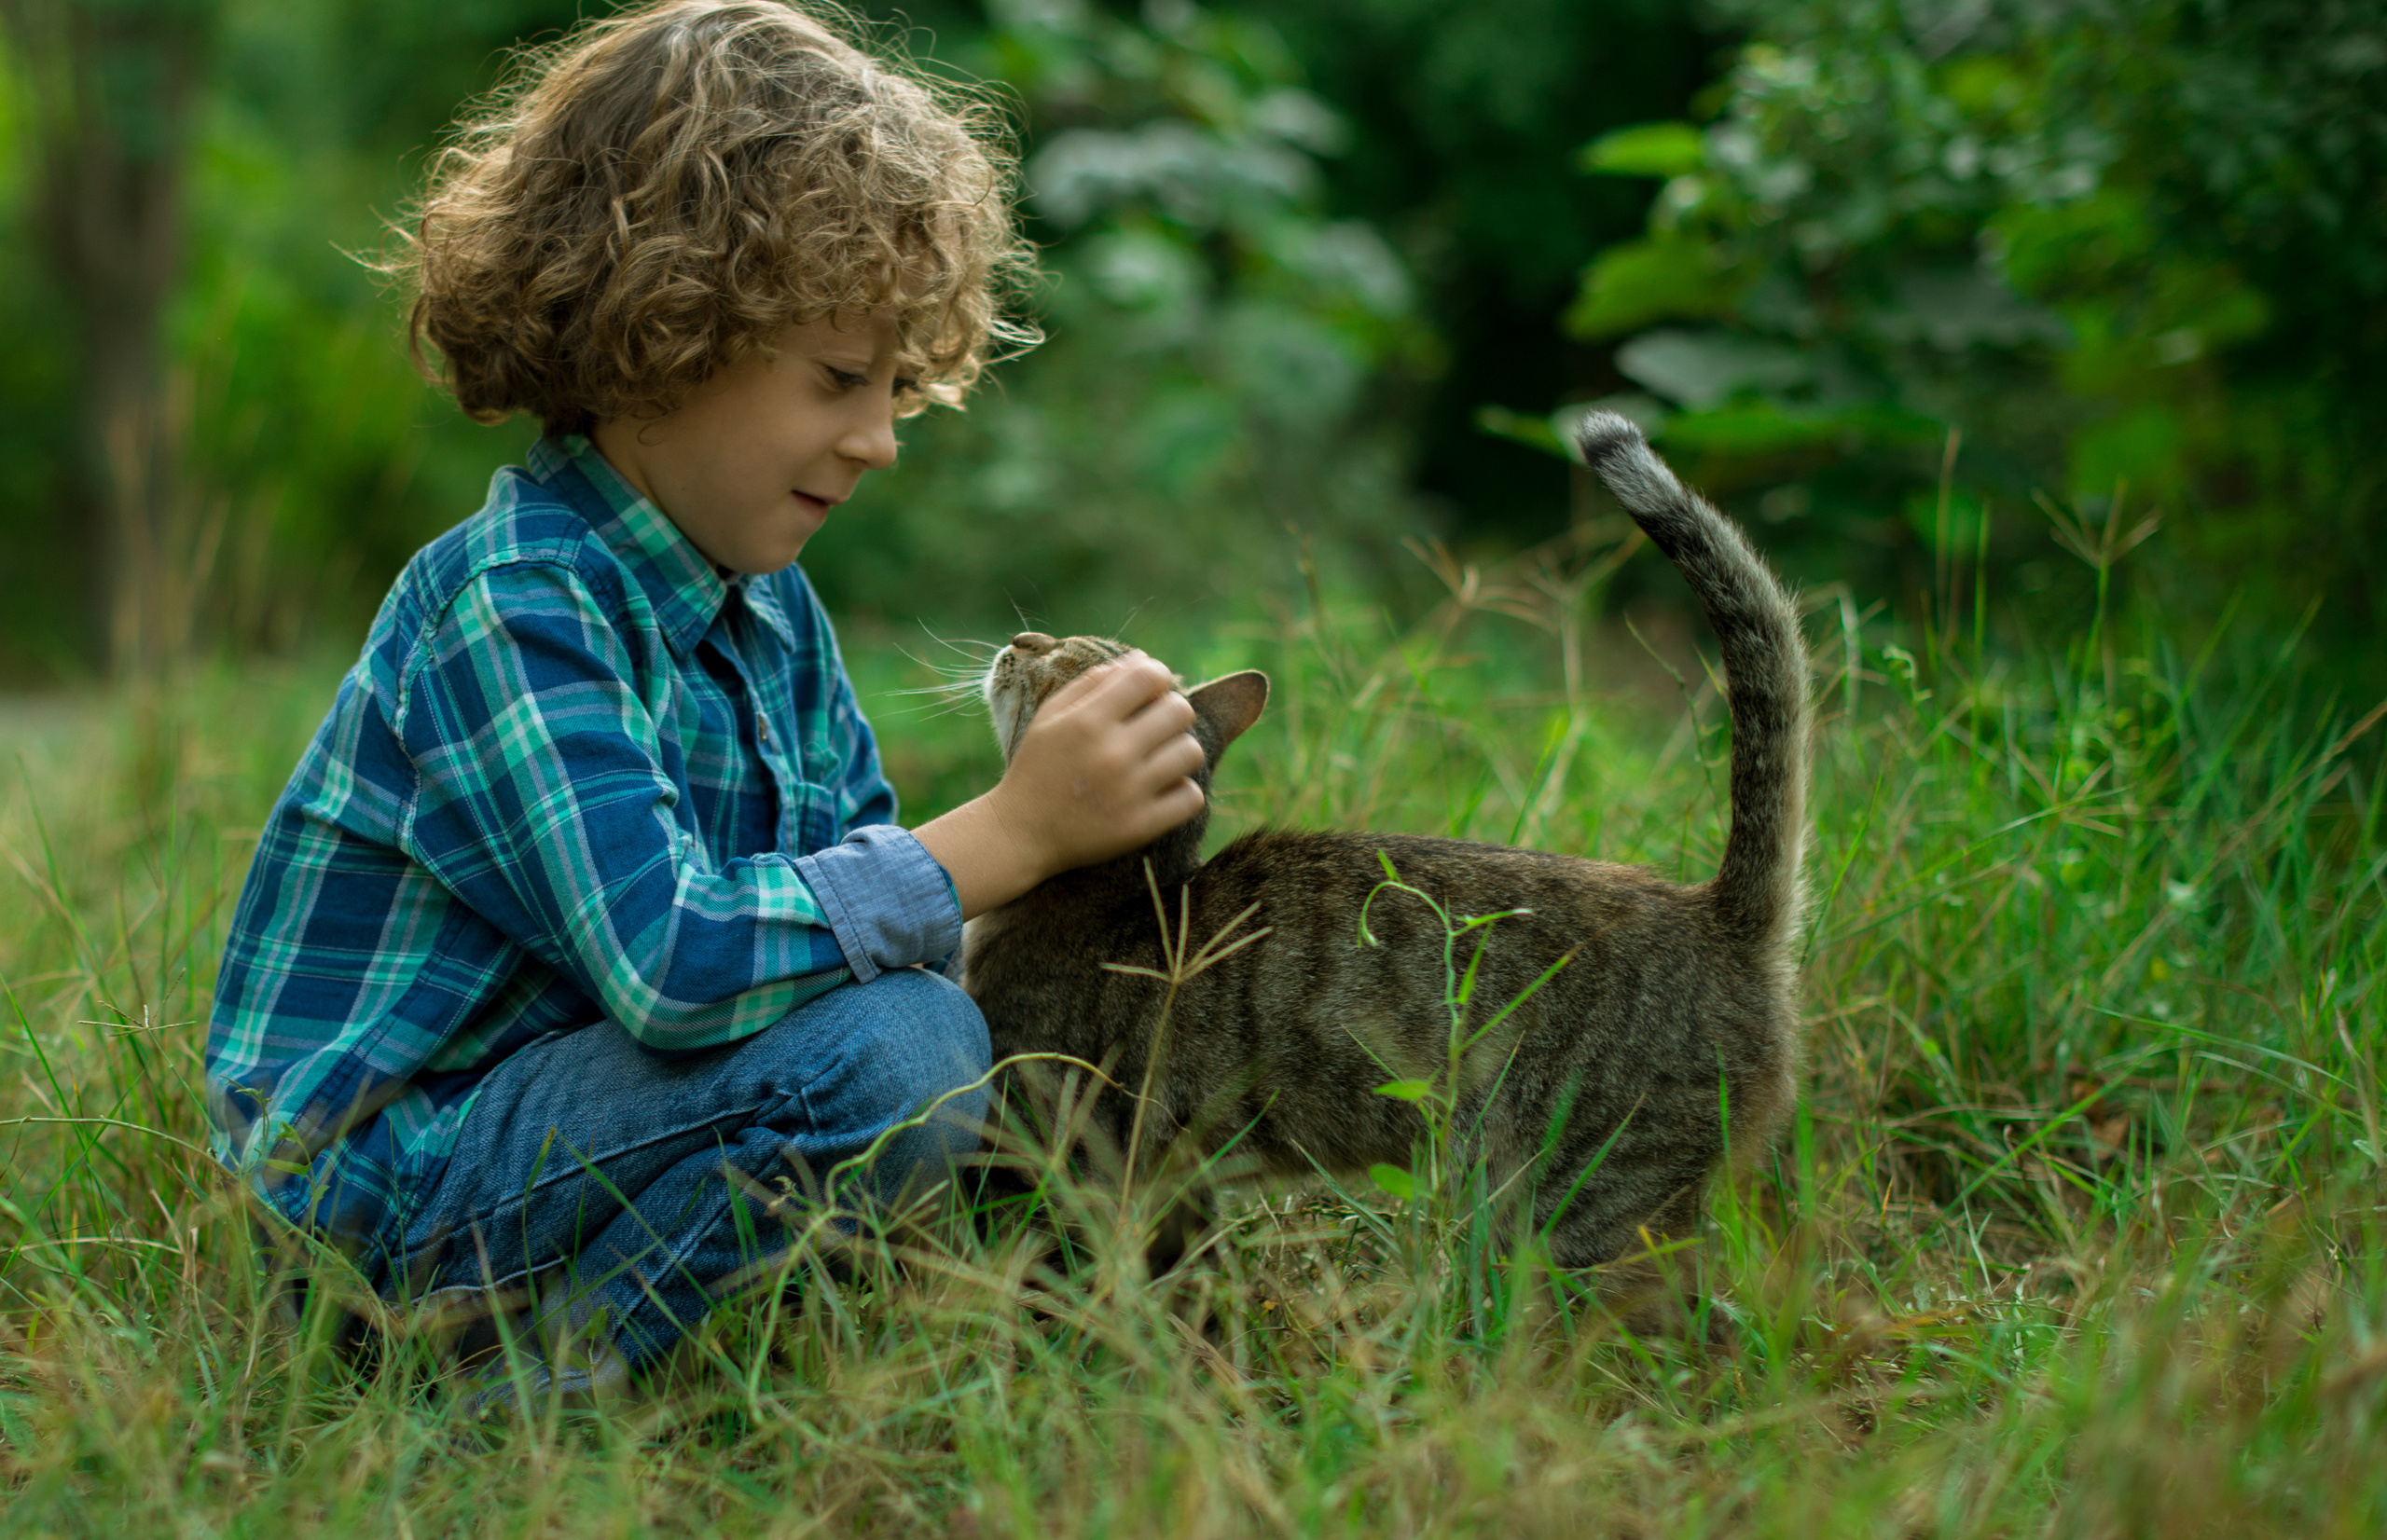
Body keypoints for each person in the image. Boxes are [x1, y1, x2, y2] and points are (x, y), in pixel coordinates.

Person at [203, 0, 1205, 1402]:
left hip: (574, 1133)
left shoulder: (766, 608)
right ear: (660, 331)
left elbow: (867, 924)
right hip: (386, 1194)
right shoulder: (517, 602)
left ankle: (657, 1350)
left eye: (901, 386)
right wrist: (1014, 834)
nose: (881, 441)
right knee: (900, 1055)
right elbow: (670, 965)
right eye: (843, 380)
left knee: (931, 1034)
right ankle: (519, 1403)